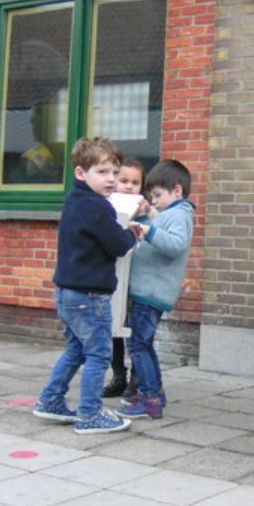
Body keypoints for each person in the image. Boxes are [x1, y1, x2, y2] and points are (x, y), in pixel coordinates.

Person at [33, 136, 139, 434]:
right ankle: (90, 413)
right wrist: (133, 233)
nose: (111, 179)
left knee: (77, 349)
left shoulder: (75, 200)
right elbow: (117, 245)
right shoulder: (97, 207)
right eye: (102, 172)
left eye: (115, 172)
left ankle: (51, 400)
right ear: (81, 173)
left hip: (67, 293)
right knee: (98, 354)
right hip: (90, 296)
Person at [115, 160, 195, 419]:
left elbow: (176, 244)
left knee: (138, 344)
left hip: (151, 294)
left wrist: (148, 231)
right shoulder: (170, 213)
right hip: (147, 292)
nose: (155, 201)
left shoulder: (181, 214)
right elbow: (159, 227)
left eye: (158, 195)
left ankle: (150, 399)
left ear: (177, 191)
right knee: (144, 344)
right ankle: (155, 392)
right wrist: (145, 217)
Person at [102, 159, 148, 399]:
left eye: (135, 182)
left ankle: (136, 378)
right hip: (113, 278)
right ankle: (118, 374)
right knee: (113, 329)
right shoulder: (107, 207)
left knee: (133, 328)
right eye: (124, 181)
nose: (129, 186)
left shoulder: (147, 212)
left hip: (136, 281)